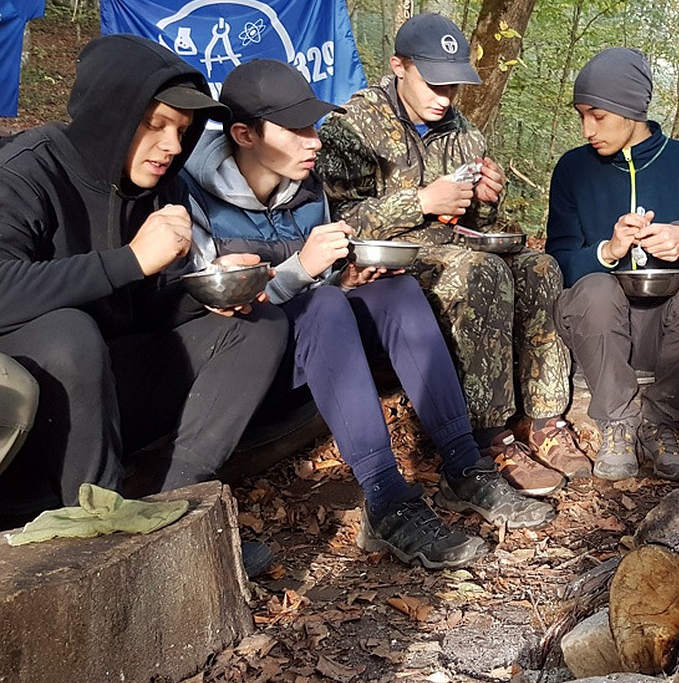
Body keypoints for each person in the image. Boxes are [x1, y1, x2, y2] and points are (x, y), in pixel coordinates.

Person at [181, 59, 555, 569]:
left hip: (317, 346)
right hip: (248, 370)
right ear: (244, 134)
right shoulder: (193, 198)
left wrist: (343, 276)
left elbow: (324, 279)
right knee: (327, 303)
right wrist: (301, 271)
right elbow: (215, 308)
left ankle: (464, 464)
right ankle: (385, 498)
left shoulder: (307, 190)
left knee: (394, 292)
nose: (313, 140)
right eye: (294, 130)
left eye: (312, 125)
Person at [0, 34, 290, 524]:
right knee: (68, 332)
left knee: (258, 323)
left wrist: (207, 291)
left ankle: (176, 504)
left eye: (182, 129)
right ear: (110, 115)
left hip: (110, 386)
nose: (172, 145)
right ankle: (100, 522)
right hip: (26, 407)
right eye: (155, 125)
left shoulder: (160, 185)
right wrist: (130, 261)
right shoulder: (26, 172)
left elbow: (147, 307)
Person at [316, 13, 588, 495]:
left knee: (541, 267)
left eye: (454, 87)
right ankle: (489, 436)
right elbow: (339, 222)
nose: (445, 98)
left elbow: (473, 226)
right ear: (400, 66)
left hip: (456, 253)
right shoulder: (352, 127)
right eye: (434, 84)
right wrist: (421, 200)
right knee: (482, 273)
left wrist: (486, 201)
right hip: (386, 269)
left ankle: (545, 420)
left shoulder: (464, 133)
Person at [547, 47, 679, 481]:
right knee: (595, 287)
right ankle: (617, 421)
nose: (587, 128)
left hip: (673, 331)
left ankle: (662, 422)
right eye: (581, 115)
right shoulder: (573, 169)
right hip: (599, 331)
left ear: (631, 109)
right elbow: (556, 262)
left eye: (597, 115)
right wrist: (607, 252)